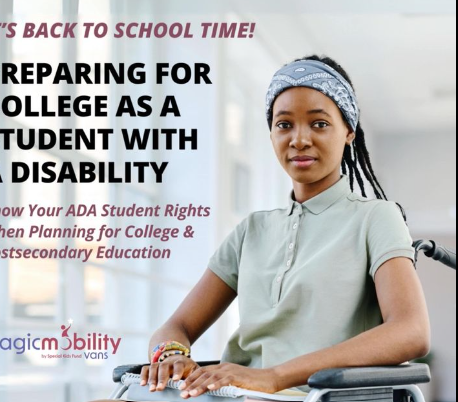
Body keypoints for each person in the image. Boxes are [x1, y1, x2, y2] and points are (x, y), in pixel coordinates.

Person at [94, 55, 430, 401]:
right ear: (271, 134)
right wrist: (171, 355)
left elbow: (411, 331)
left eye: (318, 124)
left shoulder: (376, 218)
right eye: (284, 125)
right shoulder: (251, 230)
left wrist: (273, 377)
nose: (299, 139)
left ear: (348, 132)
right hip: (230, 394)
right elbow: (175, 327)